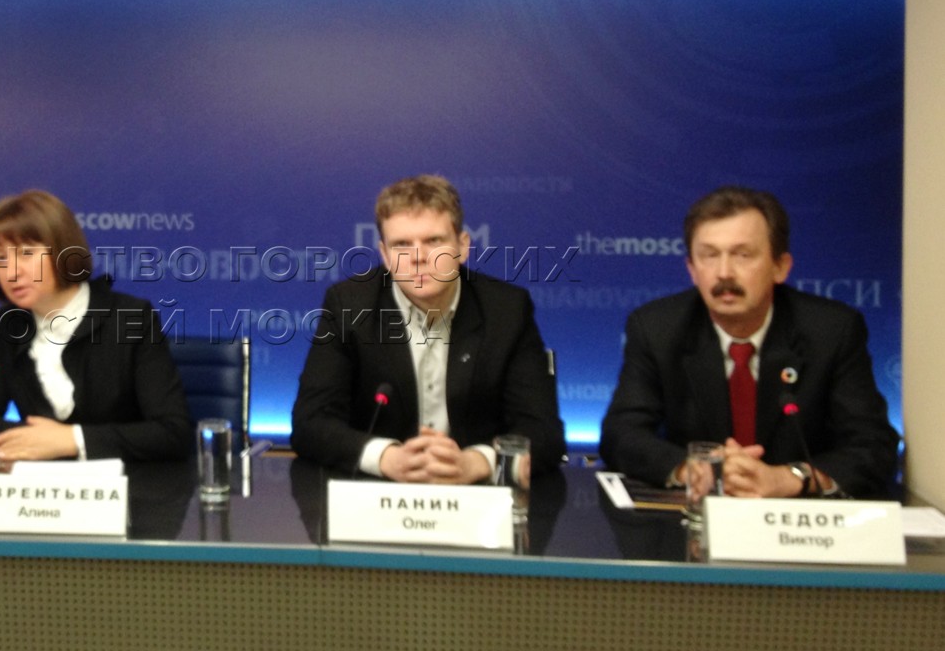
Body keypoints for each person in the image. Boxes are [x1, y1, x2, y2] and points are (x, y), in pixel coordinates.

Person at [600, 186, 899, 499]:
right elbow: (622, 434)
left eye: (742, 255)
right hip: (697, 515)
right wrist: (693, 470)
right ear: (692, 270)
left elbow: (874, 445)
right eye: (710, 256)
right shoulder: (656, 329)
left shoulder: (831, 331)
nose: (724, 273)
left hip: (794, 518)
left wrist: (790, 477)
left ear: (780, 267)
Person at [290, 174, 564, 483]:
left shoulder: (506, 310)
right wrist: (386, 458)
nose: (418, 257)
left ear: (462, 246)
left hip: (477, 498)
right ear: (385, 255)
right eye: (402, 245)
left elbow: (544, 433)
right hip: (377, 494)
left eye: (434, 241)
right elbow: (310, 423)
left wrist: (476, 463)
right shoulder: (349, 306)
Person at [0, 190, 193, 464]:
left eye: (26, 253)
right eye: (0, 259)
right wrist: (37, 440)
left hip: (128, 484)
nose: (12, 273)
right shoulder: (8, 325)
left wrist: (73, 440)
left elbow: (174, 433)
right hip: (39, 486)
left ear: (62, 250)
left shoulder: (130, 317)